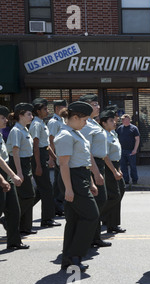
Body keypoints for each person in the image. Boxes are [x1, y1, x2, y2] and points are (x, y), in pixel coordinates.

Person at [54, 101, 99, 272]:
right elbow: (64, 165)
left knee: (74, 220)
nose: (86, 123)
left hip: (80, 177)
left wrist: (91, 182)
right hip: (73, 178)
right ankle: (75, 255)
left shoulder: (75, 132)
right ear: (74, 117)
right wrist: (69, 189)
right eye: (84, 120)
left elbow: (82, 161)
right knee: (91, 216)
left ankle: (69, 259)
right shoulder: (66, 135)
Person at [79, 94, 110, 248]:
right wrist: (96, 173)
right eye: (94, 104)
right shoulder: (85, 125)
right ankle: (90, 236)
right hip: (93, 164)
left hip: (99, 162)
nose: (98, 107)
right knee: (98, 200)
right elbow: (87, 151)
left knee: (100, 200)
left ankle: (95, 236)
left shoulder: (93, 123)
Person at [0, 105, 29, 250]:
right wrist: (4, 178)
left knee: (14, 210)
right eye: (3, 117)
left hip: (4, 172)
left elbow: (2, 159)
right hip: (1, 175)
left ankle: (14, 241)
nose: (6, 120)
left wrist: (11, 175)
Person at [29, 98, 61, 228]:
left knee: (41, 190)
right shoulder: (36, 124)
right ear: (38, 111)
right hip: (38, 158)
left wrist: (54, 158)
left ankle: (19, 212)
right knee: (47, 189)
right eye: (45, 109)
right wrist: (38, 165)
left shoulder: (42, 123)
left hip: (43, 156)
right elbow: (36, 146)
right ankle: (47, 219)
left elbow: (46, 145)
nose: (47, 111)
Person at [6, 103, 36, 235]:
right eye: (29, 114)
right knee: (29, 195)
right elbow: (15, 151)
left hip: (25, 163)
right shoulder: (16, 130)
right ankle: (9, 220)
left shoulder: (24, 129)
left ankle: (24, 226)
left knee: (25, 195)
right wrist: (18, 172)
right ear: (20, 115)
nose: (32, 116)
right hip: (18, 163)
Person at [99, 109, 126, 234]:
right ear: (104, 123)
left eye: (114, 120)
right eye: (111, 120)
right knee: (114, 195)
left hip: (116, 164)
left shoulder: (112, 133)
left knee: (119, 192)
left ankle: (113, 224)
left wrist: (118, 169)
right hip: (108, 167)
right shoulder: (103, 135)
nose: (114, 122)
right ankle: (98, 215)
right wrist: (114, 171)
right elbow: (105, 156)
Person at [48, 100, 68, 216]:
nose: (65, 109)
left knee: (61, 181)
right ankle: (57, 205)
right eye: (62, 107)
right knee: (59, 182)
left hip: (62, 155)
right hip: (57, 155)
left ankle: (58, 204)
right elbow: (51, 140)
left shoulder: (62, 120)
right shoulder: (54, 122)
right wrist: (51, 158)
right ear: (56, 108)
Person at [116, 114, 140, 186]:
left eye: (126, 119)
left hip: (131, 150)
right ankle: (125, 180)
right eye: (123, 120)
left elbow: (137, 139)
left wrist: (135, 149)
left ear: (129, 120)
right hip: (122, 150)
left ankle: (134, 180)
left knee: (133, 166)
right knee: (123, 166)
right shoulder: (119, 128)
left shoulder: (134, 128)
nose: (125, 121)